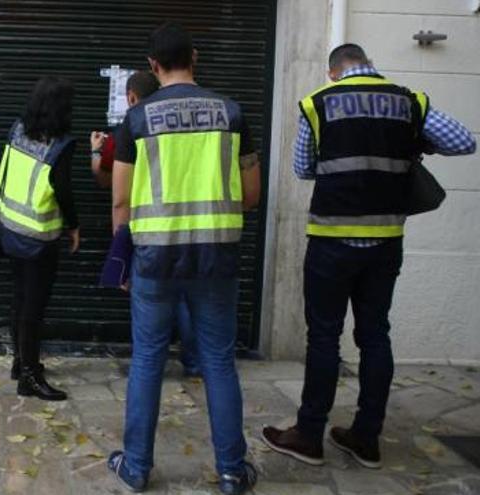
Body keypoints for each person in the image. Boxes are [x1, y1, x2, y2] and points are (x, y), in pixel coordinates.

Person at [262, 45, 476, 469]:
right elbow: (464, 142)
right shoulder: (410, 100)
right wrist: (418, 144)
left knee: (323, 337)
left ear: (334, 71)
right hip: (385, 241)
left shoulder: (317, 103)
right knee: (375, 335)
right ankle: (366, 437)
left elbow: (303, 169)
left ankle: (309, 434)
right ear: (368, 65)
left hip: (331, 241)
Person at [107, 23, 262, 494]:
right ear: (195, 57)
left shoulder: (136, 121)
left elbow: (121, 202)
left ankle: (135, 467)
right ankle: (233, 471)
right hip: (216, 258)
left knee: (148, 360)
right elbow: (251, 194)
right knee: (217, 361)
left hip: (154, 260)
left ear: (152, 66)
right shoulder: (232, 114)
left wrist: (123, 259)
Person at [90, 71, 201, 378]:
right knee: (183, 298)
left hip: (145, 233)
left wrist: (96, 151)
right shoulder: (182, 128)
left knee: (149, 303)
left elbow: (109, 185)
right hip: (188, 227)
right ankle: (193, 361)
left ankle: (149, 363)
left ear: (131, 98)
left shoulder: (129, 129)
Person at [0, 76, 80, 401]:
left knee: (20, 297)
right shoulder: (60, 145)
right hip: (37, 239)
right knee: (34, 306)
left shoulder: (17, 129)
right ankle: (30, 376)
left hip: (10, 227)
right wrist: (73, 226)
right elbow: (64, 192)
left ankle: (21, 362)